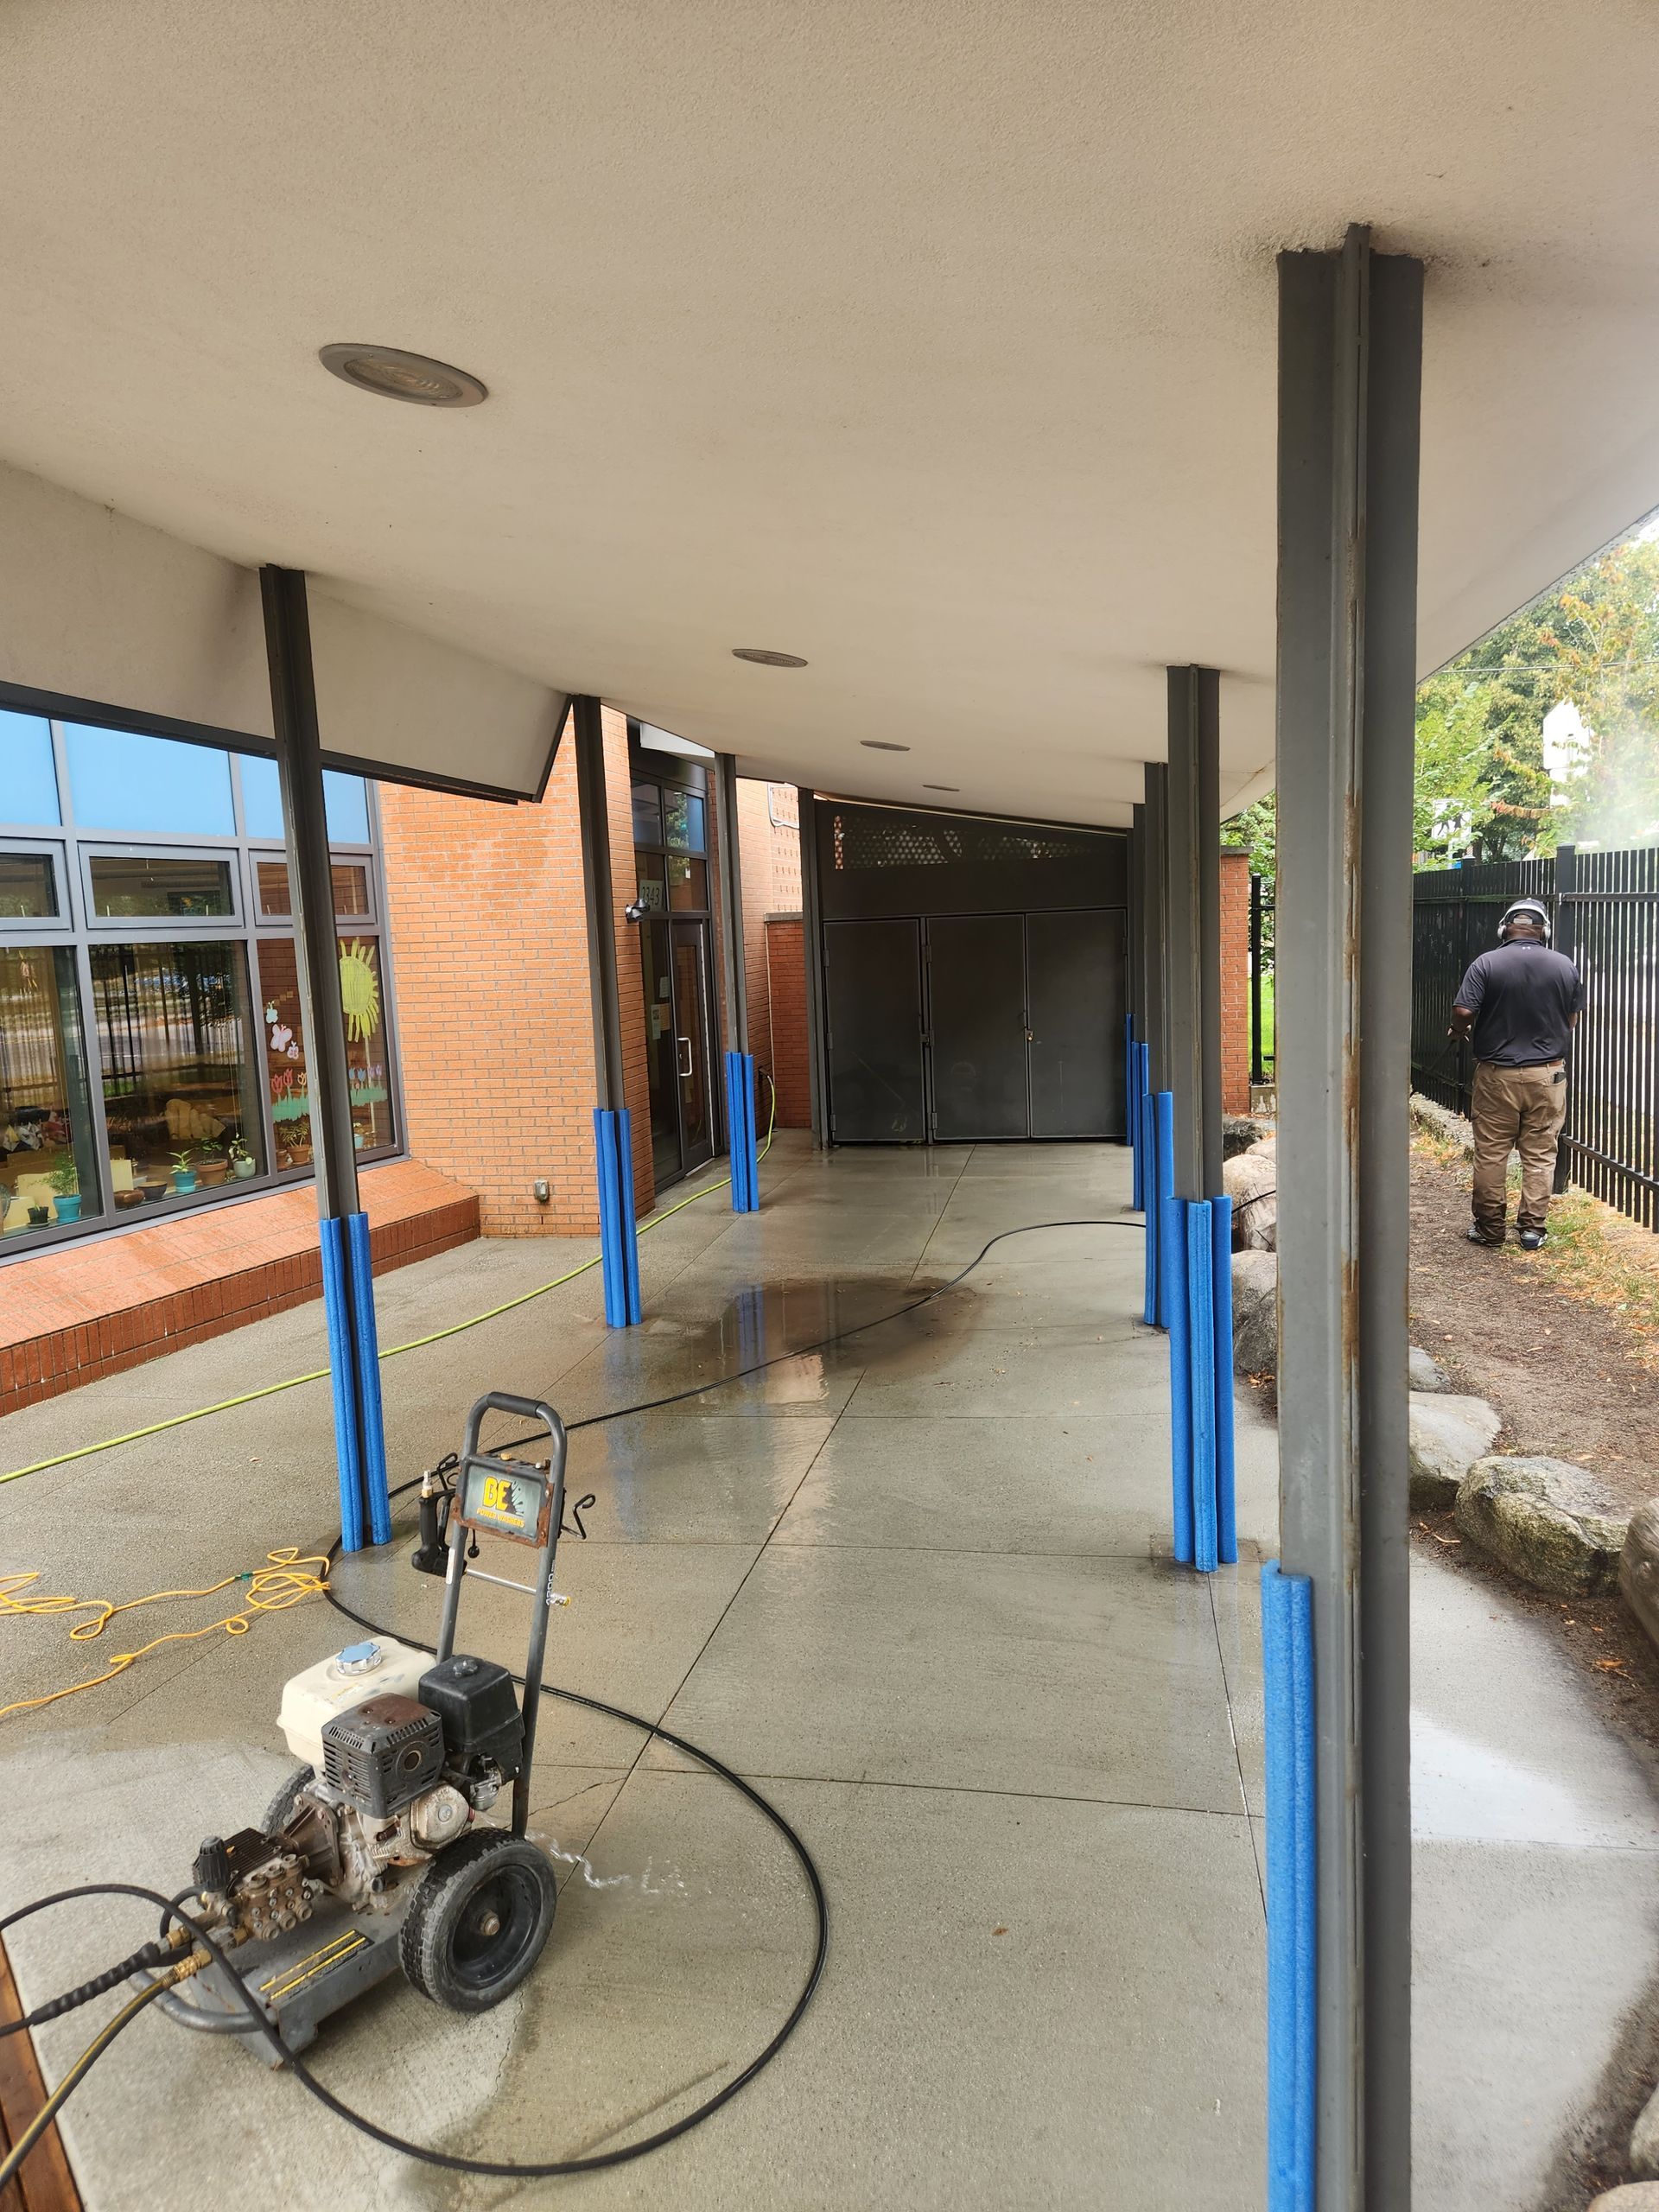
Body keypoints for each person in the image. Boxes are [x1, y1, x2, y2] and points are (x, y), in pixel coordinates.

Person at [1449, 897, 1584, 1251]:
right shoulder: (1564, 965)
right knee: (1540, 1154)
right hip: (1547, 1075)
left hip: (1497, 1076)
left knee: (1491, 1152)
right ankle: (1532, 1231)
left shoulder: (1486, 963)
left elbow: (1464, 1009)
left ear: (1504, 928)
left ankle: (1490, 1229)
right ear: (1544, 931)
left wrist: (1459, 1028)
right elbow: (1571, 1020)